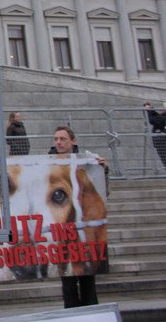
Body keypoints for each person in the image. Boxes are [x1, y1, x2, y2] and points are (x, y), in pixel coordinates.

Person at [48, 126, 104, 307]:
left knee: (88, 282)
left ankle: (92, 315)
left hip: (84, 230)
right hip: (62, 232)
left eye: (62, 139)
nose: (58, 142)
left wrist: (103, 171)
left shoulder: (87, 161)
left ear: (73, 141)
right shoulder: (46, 163)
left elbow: (103, 193)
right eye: (56, 139)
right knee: (68, 284)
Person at [143, 103, 166, 175]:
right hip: (164, 142)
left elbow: (153, 120)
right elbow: (157, 116)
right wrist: (151, 109)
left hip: (164, 142)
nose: (162, 109)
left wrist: (149, 110)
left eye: (164, 108)